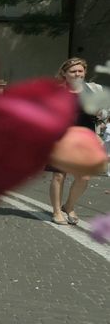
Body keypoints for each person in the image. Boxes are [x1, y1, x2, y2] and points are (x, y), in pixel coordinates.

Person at [50, 57, 101, 225]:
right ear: (64, 73)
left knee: (84, 177)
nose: (77, 74)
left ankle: (69, 206)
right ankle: (57, 211)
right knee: (59, 175)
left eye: (80, 70)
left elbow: (102, 113)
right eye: (73, 71)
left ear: (85, 72)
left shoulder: (93, 89)